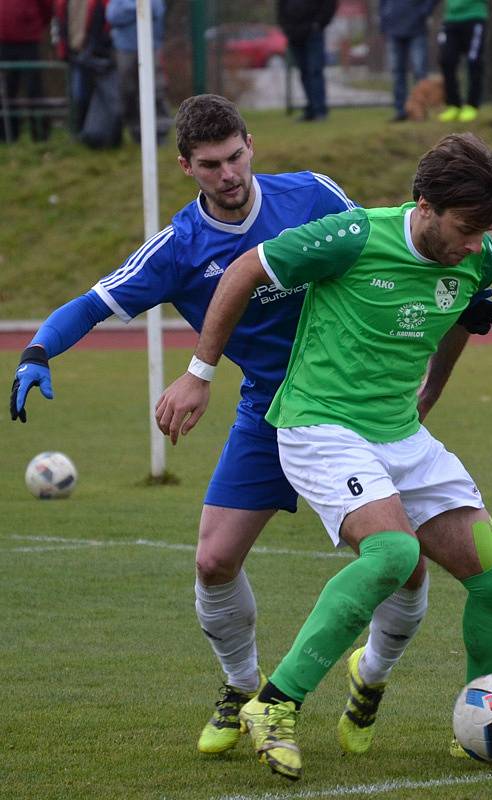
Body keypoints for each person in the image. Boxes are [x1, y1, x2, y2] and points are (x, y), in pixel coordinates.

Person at [163, 132, 492, 780]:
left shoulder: (479, 256)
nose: (475, 244)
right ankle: (275, 703)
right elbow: (246, 270)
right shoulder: (352, 236)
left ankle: (481, 732)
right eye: (466, 228)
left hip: (400, 435)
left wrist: (432, 393)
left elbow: (466, 312)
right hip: (319, 427)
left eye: (486, 231)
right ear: (425, 205)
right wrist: (199, 371)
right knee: (394, 553)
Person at [9, 92, 370, 756]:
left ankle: (368, 677)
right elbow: (91, 304)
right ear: (186, 167)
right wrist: (37, 351)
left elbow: (384, 252)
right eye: (210, 165)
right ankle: (241, 688)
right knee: (212, 560)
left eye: (235, 157)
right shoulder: (179, 246)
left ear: (251, 144)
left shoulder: (313, 197)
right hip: (268, 411)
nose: (228, 175)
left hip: (353, 403)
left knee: (394, 558)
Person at [55, 0, 122, 147]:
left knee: (104, 97)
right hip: (76, 54)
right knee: (79, 96)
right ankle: (80, 134)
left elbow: (108, 22)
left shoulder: (101, 3)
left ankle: (104, 136)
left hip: (97, 54)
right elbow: (61, 24)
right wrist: (63, 49)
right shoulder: (64, 3)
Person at [106, 0, 171, 144]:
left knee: (156, 89)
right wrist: (138, 8)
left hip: (151, 48)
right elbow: (113, 16)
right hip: (125, 49)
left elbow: (154, 10)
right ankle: (136, 131)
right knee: (128, 90)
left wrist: (130, 11)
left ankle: (160, 132)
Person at [0, 0, 53, 142]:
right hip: (4, 41)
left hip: (29, 42)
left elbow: (47, 9)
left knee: (34, 90)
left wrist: (34, 26)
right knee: (7, 90)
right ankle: (8, 135)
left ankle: (40, 135)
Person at [277, 0, 337, 122]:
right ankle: (311, 109)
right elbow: (280, 7)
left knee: (315, 71)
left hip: (313, 33)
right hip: (294, 33)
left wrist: (318, 24)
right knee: (304, 72)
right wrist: (286, 27)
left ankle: (319, 110)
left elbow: (330, 5)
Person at [379, 0, 439, 122]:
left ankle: (421, 111)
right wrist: (384, 21)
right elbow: (382, 4)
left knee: (419, 71)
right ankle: (401, 111)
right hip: (393, 29)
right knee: (397, 72)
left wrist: (422, 12)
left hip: (416, 28)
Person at [437, 0, 488, 122]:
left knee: (473, 61)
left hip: (474, 17)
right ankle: (453, 104)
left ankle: (472, 105)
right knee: (446, 61)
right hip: (451, 19)